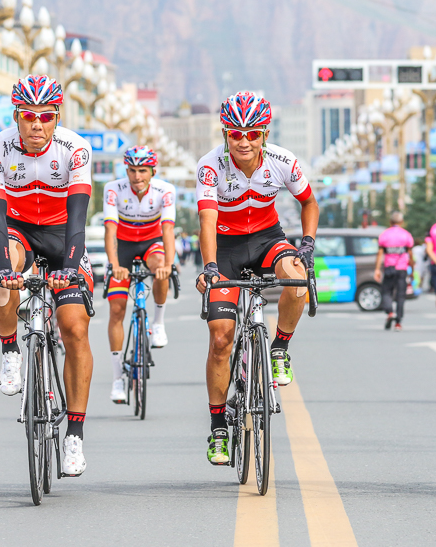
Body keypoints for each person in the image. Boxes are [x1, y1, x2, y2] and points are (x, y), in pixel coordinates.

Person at [195, 91, 319, 465]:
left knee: (297, 277)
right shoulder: (210, 166)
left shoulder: (283, 161)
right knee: (220, 339)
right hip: (227, 249)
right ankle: (218, 428)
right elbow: (207, 220)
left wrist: (308, 244)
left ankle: (279, 348)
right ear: (225, 133)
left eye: (252, 133)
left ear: (264, 133)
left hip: (267, 239)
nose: (244, 141)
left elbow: (308, 202)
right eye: (235, 134)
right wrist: (211, 267)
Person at [0, 75, 94, 476]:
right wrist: (7, 273)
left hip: (65, 237)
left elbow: (78, 220)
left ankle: (74, 436)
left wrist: (69, 267)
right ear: (16, 116)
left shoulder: (74, 149)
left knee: (73, 327)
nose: (36, 125)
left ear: (56, 117)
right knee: (0, 274)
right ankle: (11, 350)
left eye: (45, 117)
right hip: (19, 233)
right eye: (28, 116)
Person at [103, 146, 177, 403]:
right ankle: (117, 380)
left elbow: (168, 230)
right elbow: (110, 231)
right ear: (127, 170)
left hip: (151, 242)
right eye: (132, 171)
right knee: (117, 310)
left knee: (160, 267)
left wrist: (169, 264)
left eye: (142, 171)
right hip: (122, 245)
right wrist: (114, 265)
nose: (137, 177)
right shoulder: (114, 188)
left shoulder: (165, 191)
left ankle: (157, 323)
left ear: (152, 171)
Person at [374, 211, 414, 331]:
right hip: (402, 269)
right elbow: (410, 254)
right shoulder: (406, 235)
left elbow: (380, 254)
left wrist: (377, 269)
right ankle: (398, 323)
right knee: (401, 295)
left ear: (390, 222)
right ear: (401, 222)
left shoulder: (384, 235)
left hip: (389, 268)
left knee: (386, 292)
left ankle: (390, 312)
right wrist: (412, 269)